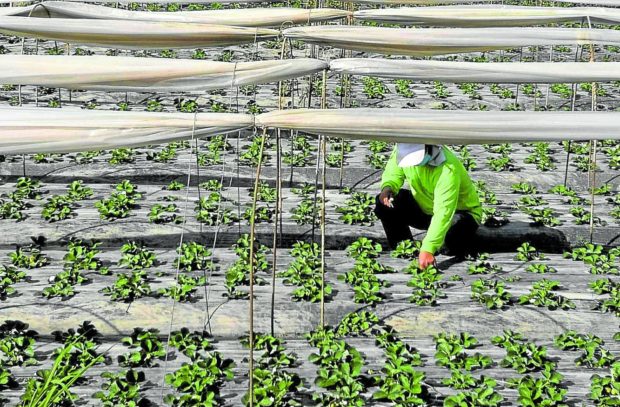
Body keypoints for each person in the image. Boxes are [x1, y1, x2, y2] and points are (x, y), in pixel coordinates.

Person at [375, 143, 483, 269]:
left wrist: (428, 248)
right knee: (384, 203)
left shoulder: (447, 169)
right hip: (426, 209)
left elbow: (444, 212)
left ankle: (432, 247)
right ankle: (405, 247)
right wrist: (387, 188)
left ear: (429, 148)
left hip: (459, 214)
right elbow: (394, 173)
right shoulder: (404, 147)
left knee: (449, 244)